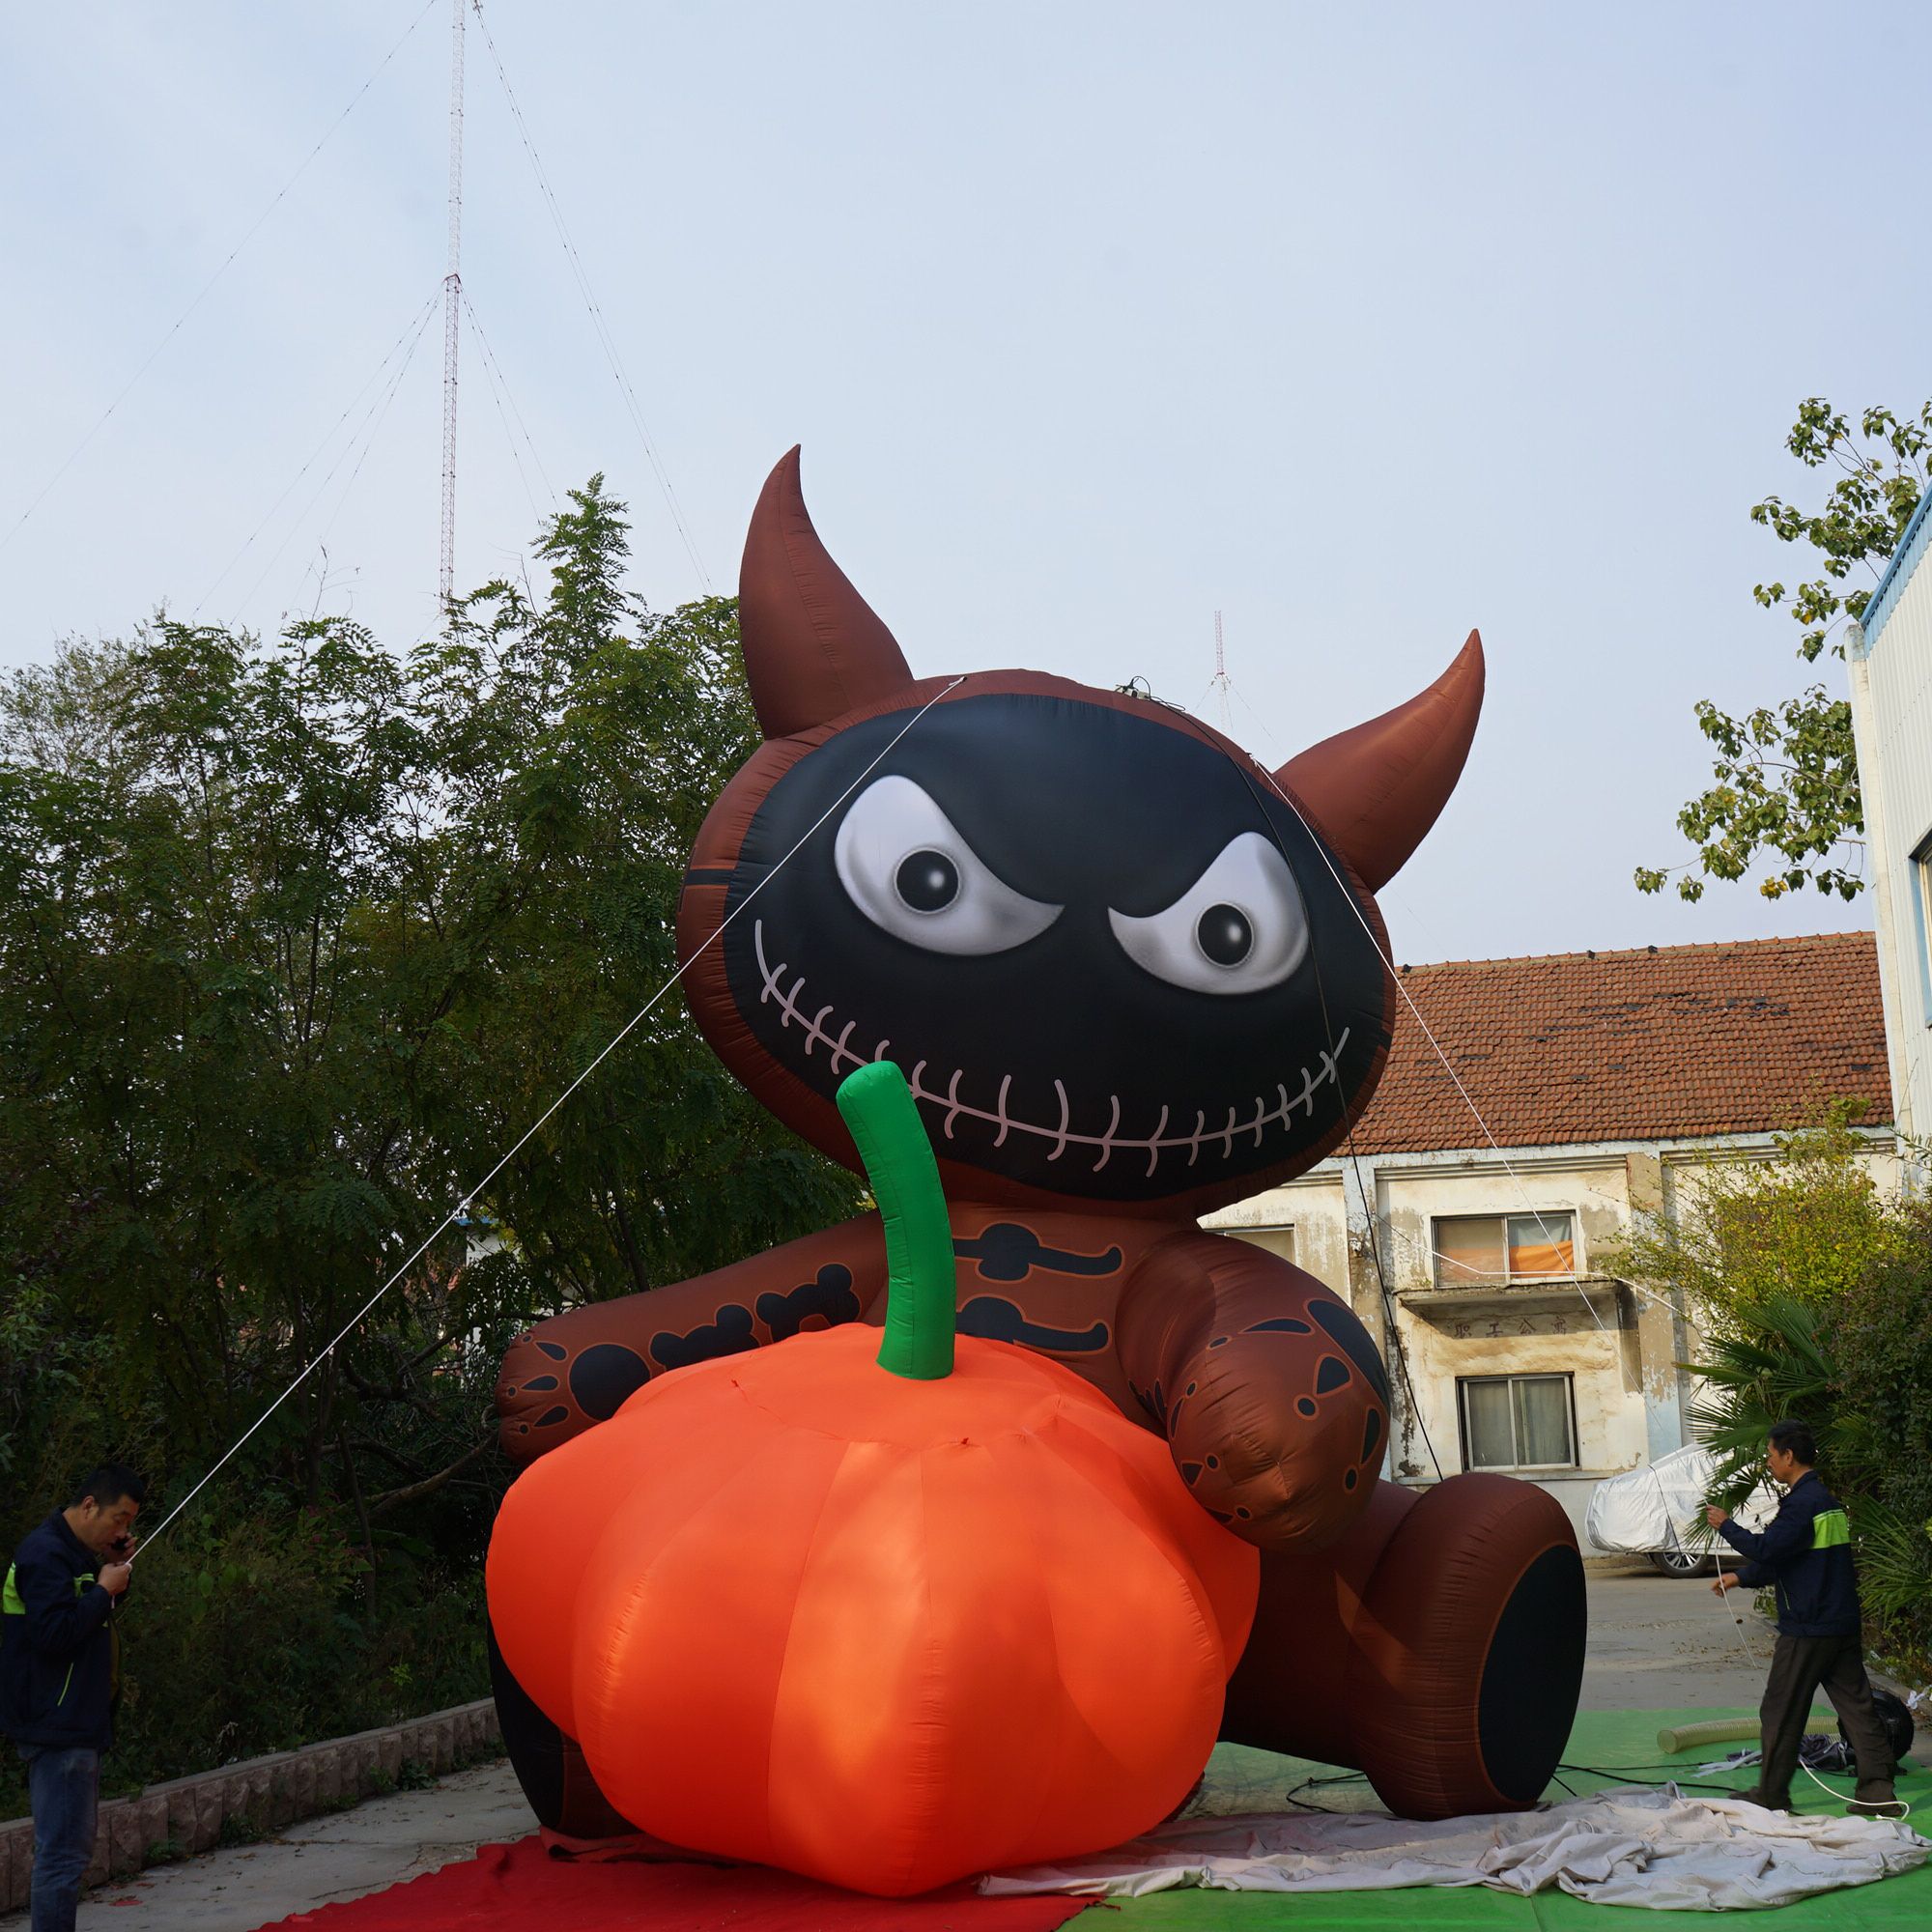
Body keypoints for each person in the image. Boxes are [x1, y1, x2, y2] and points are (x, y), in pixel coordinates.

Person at [1704, 1421, 1903, 1819]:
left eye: (1770, 1455)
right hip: (1841, 1624)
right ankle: (1878, 1793)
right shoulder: (1826, 1502)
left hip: (1808, 1628)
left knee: (1780, 1710)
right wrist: (1740, 1576)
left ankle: (1771, 1795)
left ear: (1788, 1456)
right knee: (1858, 1709)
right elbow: (1795, 1559)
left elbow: (1770, 1548)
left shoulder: (1801, 1503)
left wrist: (1725, 1525)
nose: (1768, 1462)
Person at [0, 1465, 144, 1932]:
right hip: (56, 1724)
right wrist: (104, 1588)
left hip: (74, 1720)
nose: (122, 1530)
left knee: (69, 1853)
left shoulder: (75, 1553)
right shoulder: (44, 1554)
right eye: (117, 1520)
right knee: (61, 1856)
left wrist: (113, 1569)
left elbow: (90, 1613)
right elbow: (54, 1632)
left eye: (128, 1524)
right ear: (88, 1506)